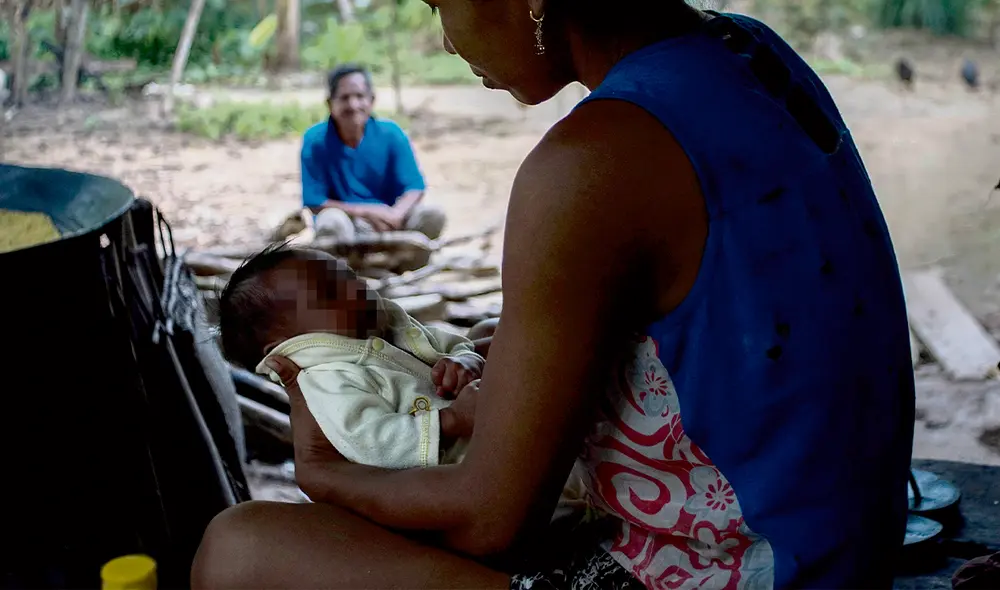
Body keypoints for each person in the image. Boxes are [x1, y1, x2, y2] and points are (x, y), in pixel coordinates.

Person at [193, 2, 915, 589]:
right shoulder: (751, 51)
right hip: (844, 547)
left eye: (438, 3)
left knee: (238, 551)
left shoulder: (588, 162)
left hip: (730, 575)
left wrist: (329, 475)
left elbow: (490, 521)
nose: (445, 40)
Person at [217, 244, 484, 468]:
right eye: (329, 293)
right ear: (289, 343)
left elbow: (455, 345)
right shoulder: (329, 380)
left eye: (351, 276)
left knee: (487, 331)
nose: (356, 289)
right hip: (453, 475)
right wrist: (451, 421)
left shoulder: (395, 328)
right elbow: (372, 442)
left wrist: (465, 361)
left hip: (485, 434)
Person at [301, 65, 446, 242]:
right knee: (331, 222)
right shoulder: (315, 141)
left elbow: (414, 187)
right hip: (347, 224)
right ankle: (345, 265)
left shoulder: (391, 134)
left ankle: (402, 261)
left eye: (360, 96)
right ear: (330, 103)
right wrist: (366, 212)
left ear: (371, 100)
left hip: (392, 222)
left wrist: (395, 214)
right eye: (344, 98)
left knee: (433, 215)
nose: (353, 105)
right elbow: (315, 202)